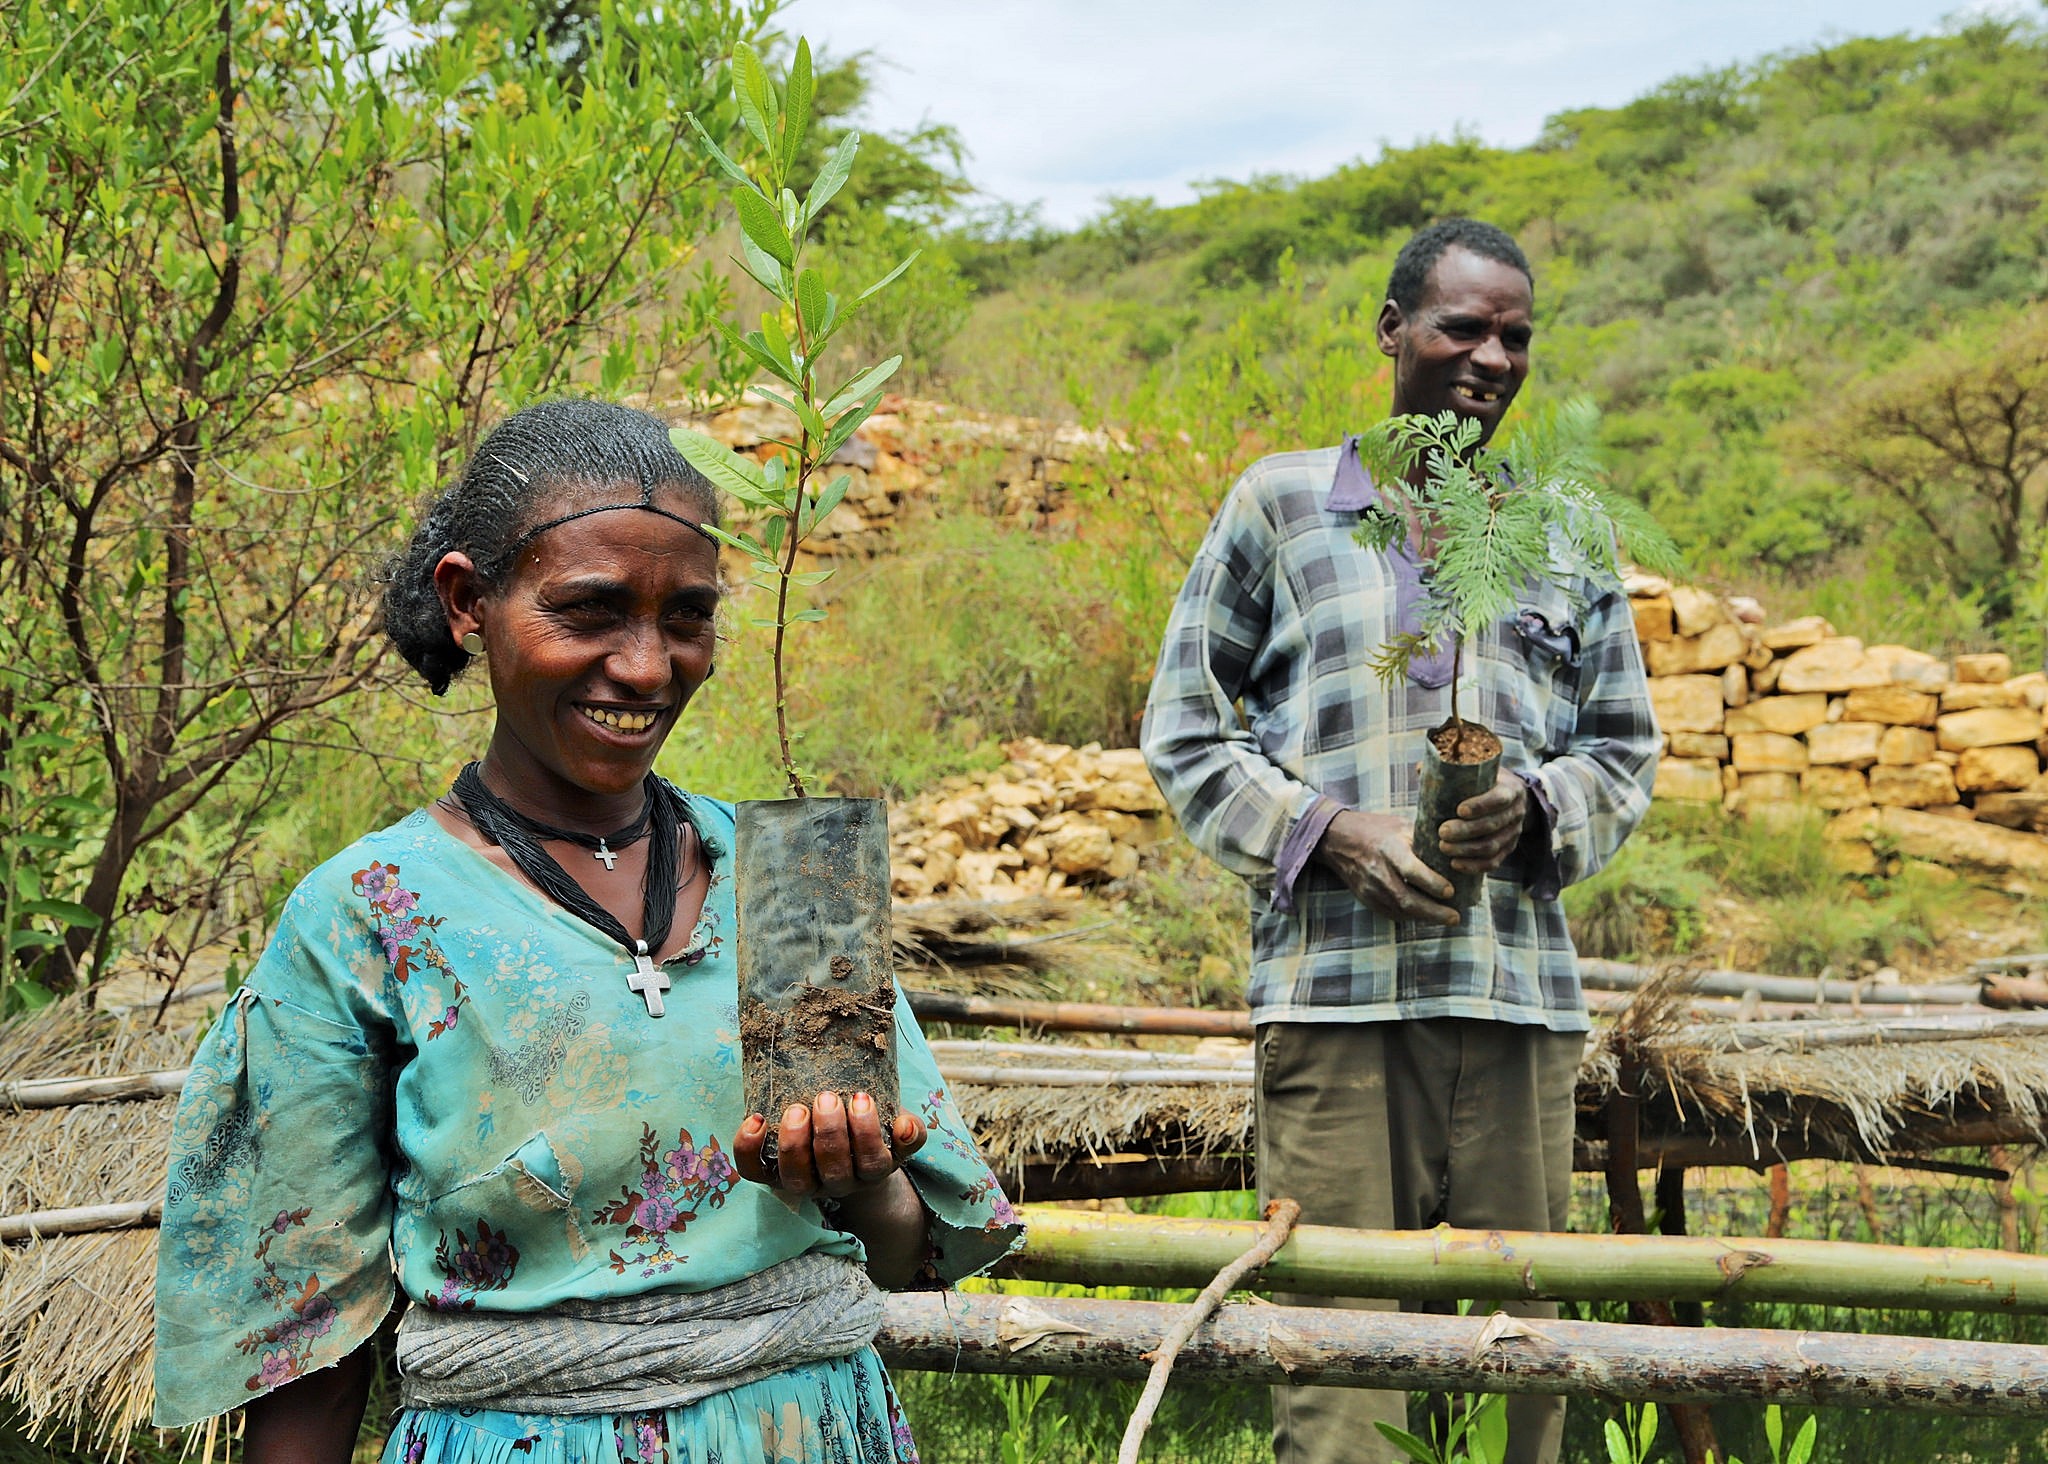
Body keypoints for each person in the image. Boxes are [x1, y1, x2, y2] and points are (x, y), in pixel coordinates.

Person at [152, 399, 1022, 1463]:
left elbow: (905, 1253)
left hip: (810, 1430)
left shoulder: (788, 882)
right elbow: (306, 1358)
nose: (649, 667)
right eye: (590, 611)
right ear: (469, 603)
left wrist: (859, 1176)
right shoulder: (369, 916)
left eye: (688, 617)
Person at [1140, 218, 1658, 1464]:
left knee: (1516, 1368)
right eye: (1460, 326)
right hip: (1333, 998)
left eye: (1514, 336)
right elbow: (1183, 730)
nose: (1489, 356)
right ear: (1391, 334)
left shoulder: (1558, 531)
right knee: (1336, 1374)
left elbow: (1622, 750)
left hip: (1514, 996)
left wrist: (1535, 808)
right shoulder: (1285, 503)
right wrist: (1331, 832)